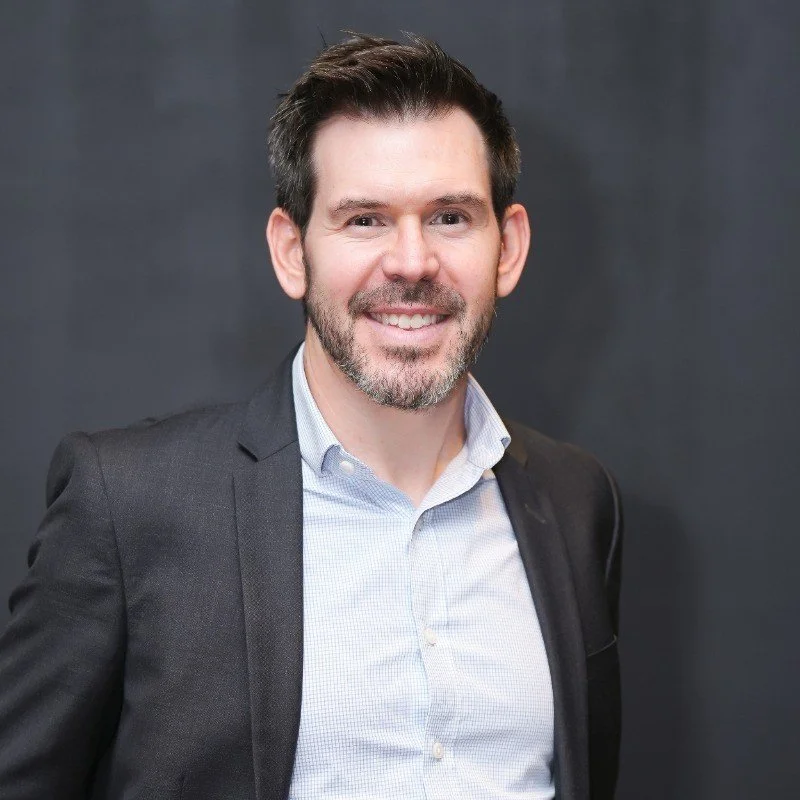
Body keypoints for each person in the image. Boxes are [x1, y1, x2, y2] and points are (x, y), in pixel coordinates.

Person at [0, 32, 622, 800]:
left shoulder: (576, 501)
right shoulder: (128, 507)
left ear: (509, 247)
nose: (412, 262)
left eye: (449, 217)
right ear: (292, 252)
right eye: (364, 220)